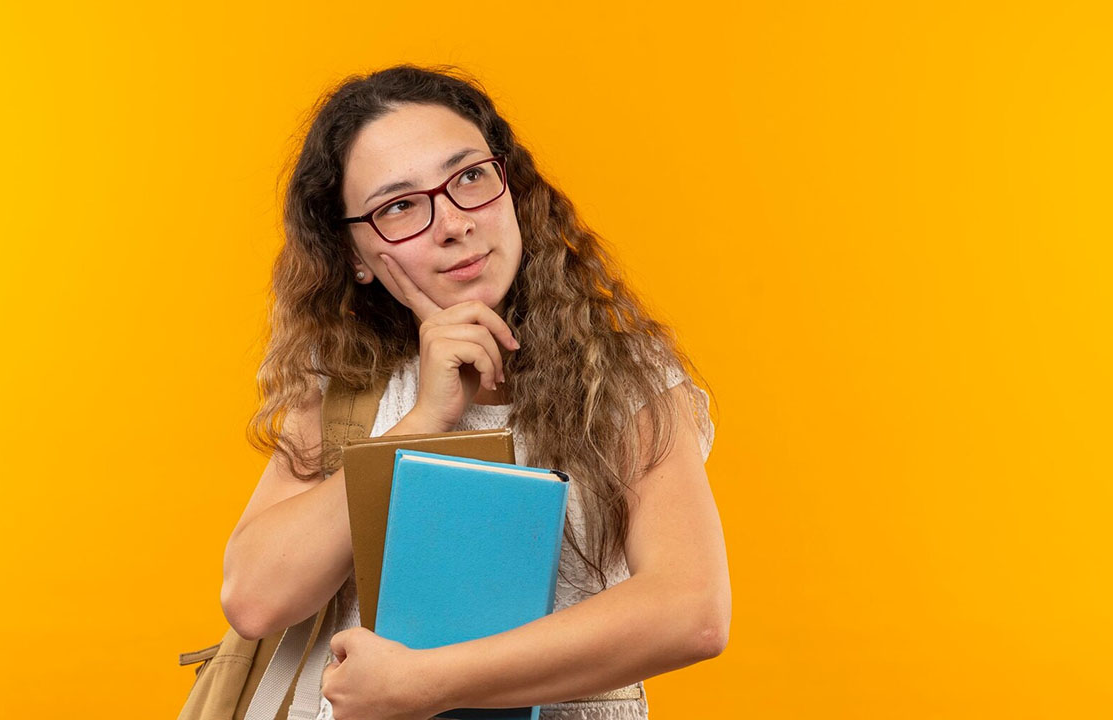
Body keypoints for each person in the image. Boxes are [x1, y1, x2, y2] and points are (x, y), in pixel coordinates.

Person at [220, 64, 731, 720]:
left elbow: (691, 611)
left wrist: (425, 683)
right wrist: (426, 420)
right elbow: (256, 598)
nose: (453, 223)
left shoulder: (621, 379)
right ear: (354, 253)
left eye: (468, 178)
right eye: (399, 206)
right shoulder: (347, 379)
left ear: (510, 185)